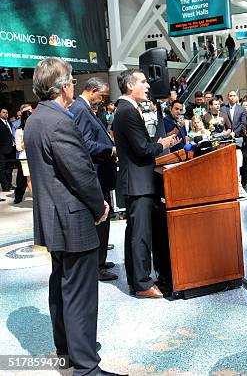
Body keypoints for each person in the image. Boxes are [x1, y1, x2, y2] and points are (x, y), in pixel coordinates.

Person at [26, 57, 123, 376]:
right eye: (70, 80)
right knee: (81, 292)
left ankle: (67, 350)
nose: (73, 85)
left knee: (62, 285)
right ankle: (86, 366)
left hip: (53, 219)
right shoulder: (60, 121)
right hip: (73, 218)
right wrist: (100, 206)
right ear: (64, 86)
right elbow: (80, 173)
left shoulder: (36, 119)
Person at [113, 69, 179, 299]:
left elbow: (139, 144)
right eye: (143, 82)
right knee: (140, 235)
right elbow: (142, 149)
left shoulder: (127, 110)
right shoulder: (128, 112)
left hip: (137, 182)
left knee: (136, 234)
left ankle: (137, 280)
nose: (148, 86)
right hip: (138, 183)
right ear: (130, 86)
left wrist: (157, 142)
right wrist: (161, 144)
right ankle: (142, 283)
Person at [69, 77, 118, 282]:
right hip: (96, 174)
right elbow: (85, 144)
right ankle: (97, 265)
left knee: (104, 221)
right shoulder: (80, 109)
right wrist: (110, 149)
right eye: (102, 95)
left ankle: (100, 259)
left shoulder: (86, 108)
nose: (102, 99)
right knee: (101, 219)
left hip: (101, 174)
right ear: (92, 90)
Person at [13, 110, 32, 204]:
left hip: (34, 156)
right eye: (27, 120)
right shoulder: (19, 131)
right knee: (23, 180)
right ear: (24, 120)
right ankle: (18, 197)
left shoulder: (34, 129)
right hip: (24, 158)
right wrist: (26, 140)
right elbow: (18, 147)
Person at [0, 107, 15, 193]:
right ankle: (5, 186)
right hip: (2, 150)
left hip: (11, 149)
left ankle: (9, 184)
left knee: (10, 169)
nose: (6, 114)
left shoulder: (9, 123)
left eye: (7, 113)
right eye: (4, 112)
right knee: (2, 168)